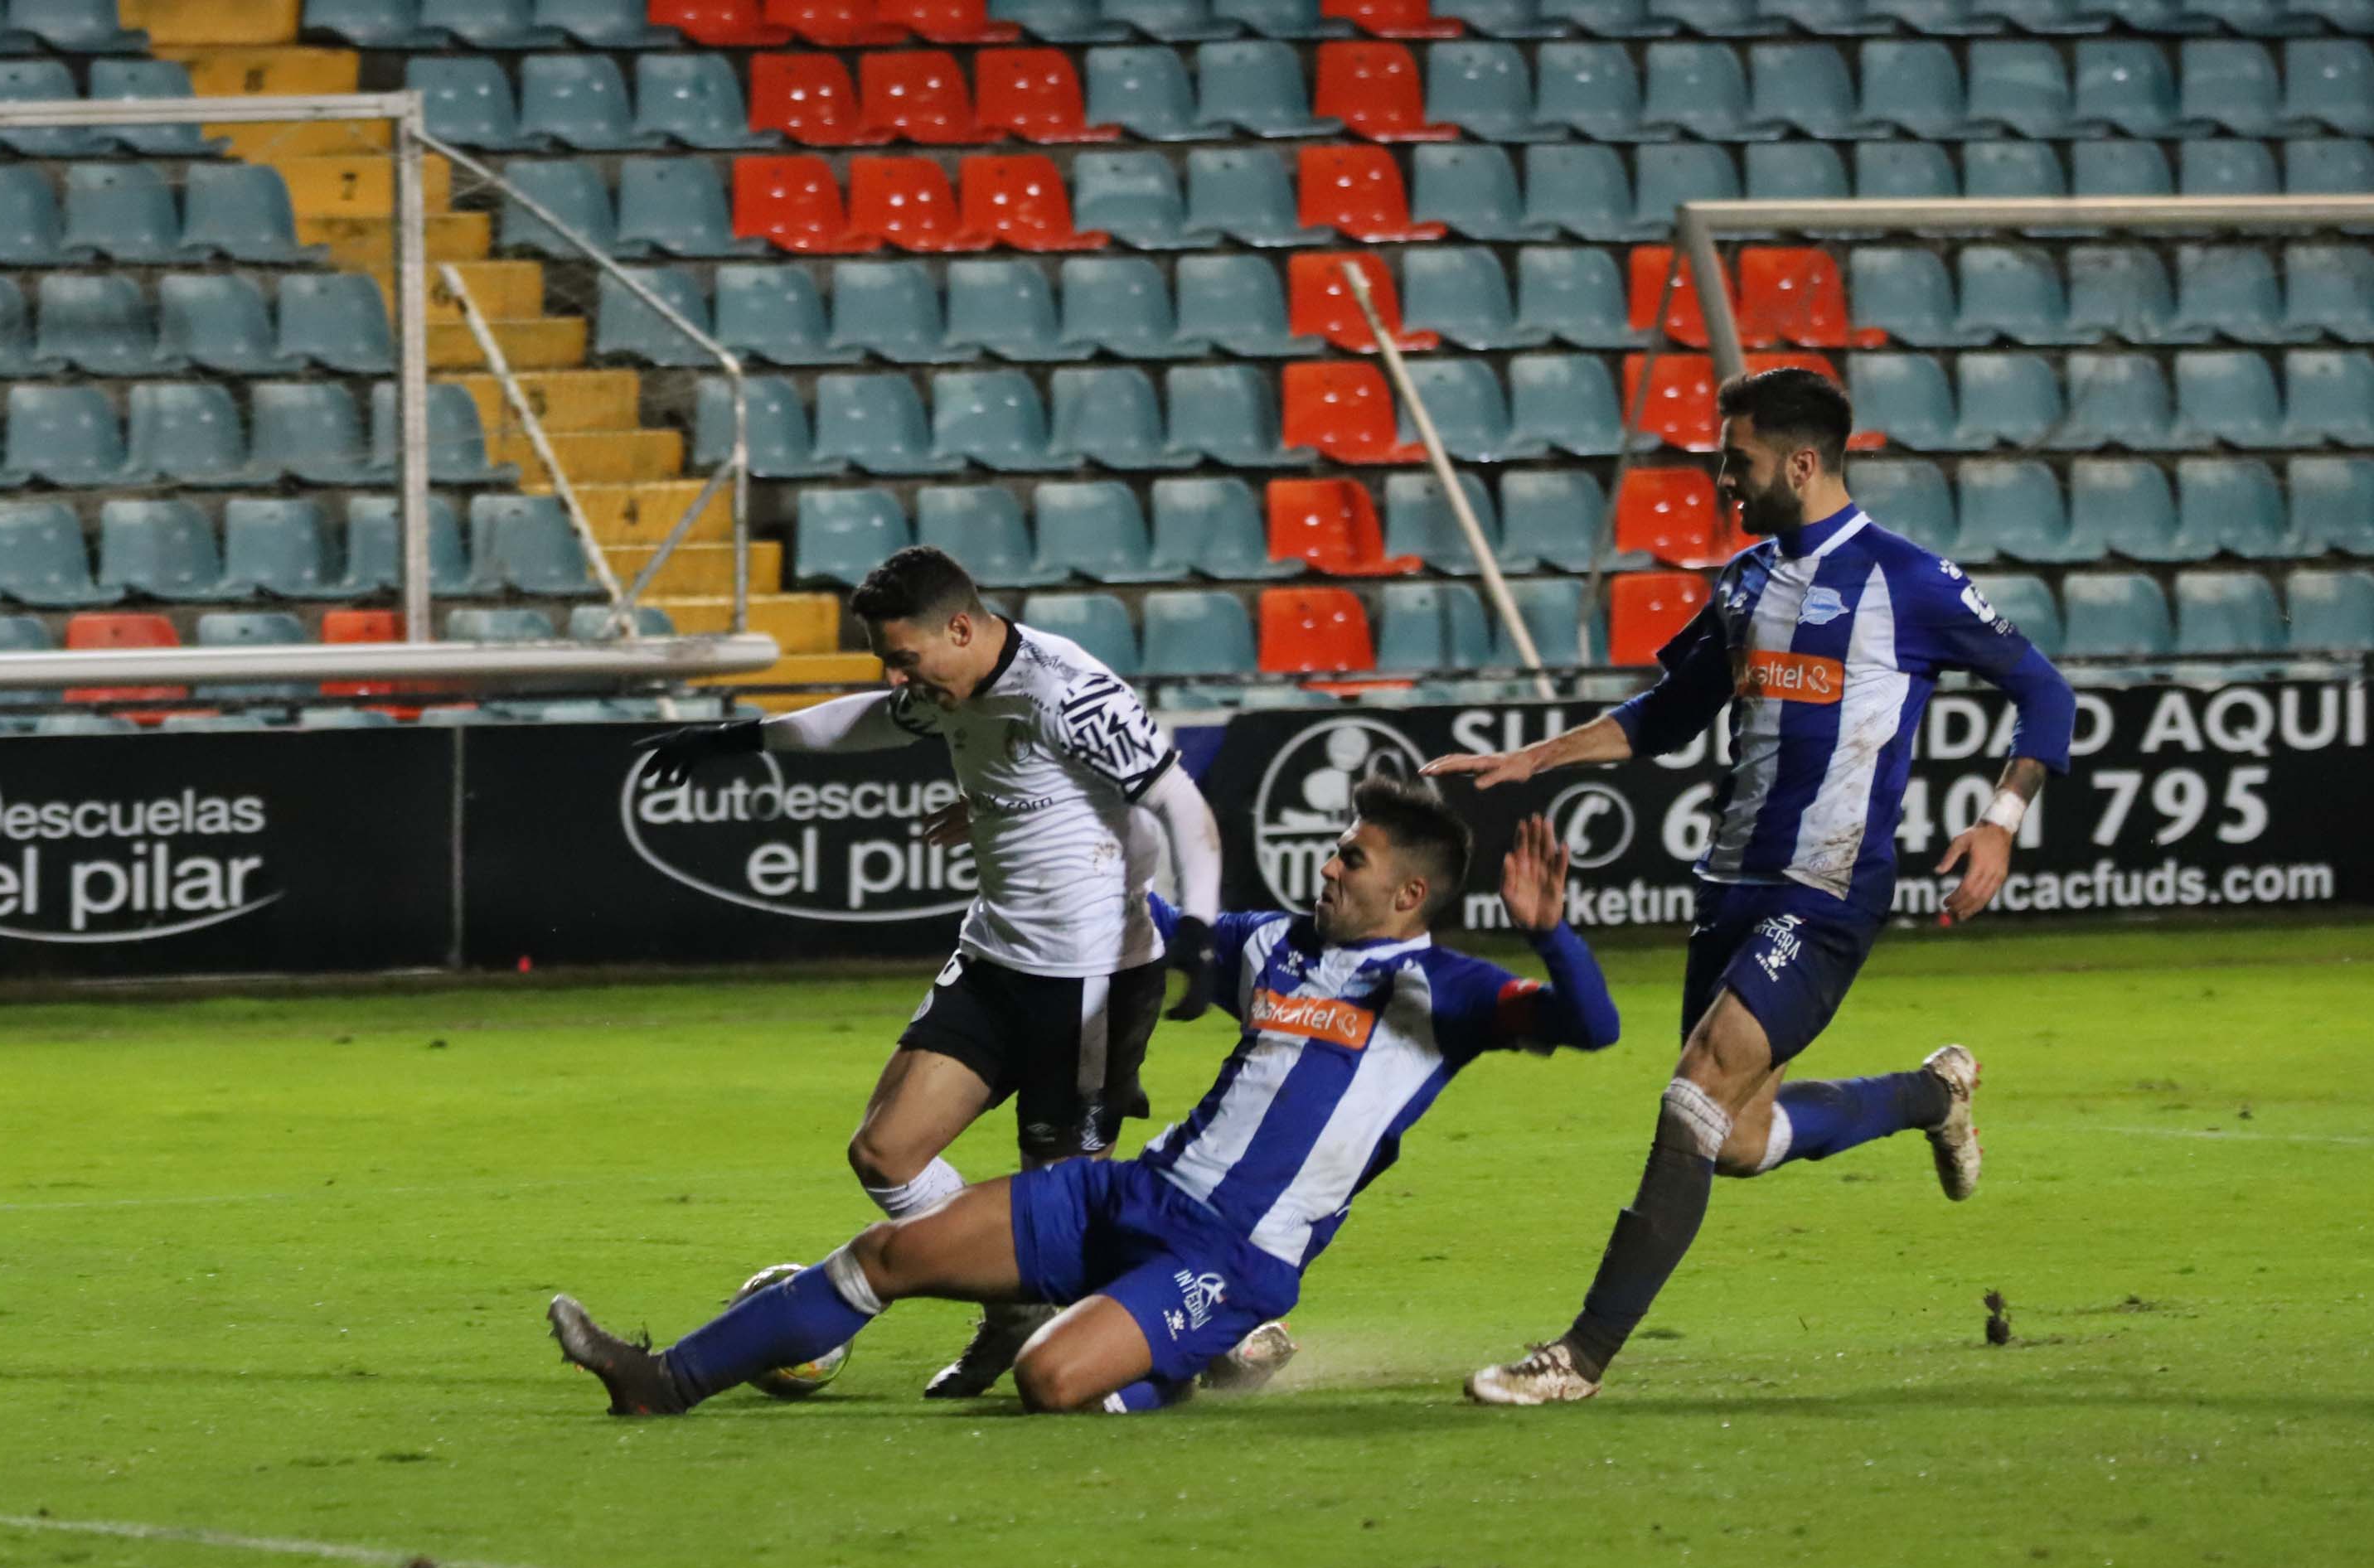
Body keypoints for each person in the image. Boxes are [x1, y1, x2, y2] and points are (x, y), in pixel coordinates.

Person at [546, 780, 1621, 1416]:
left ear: (1410, 892)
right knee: (888, 1254)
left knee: (1051, 1379)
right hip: (1129, 1195)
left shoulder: (1445, 990)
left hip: (1232, 1257)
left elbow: (1591, 1025)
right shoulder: (1275, 945)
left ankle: (1181, 1359)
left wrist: (1552, 935)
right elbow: (1153, 915)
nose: (1330, 867)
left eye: (1353, 857)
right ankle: (661, 1379)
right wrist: (1030, 826)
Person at [1422, 365, 2078, 1406]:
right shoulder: (1741, 583)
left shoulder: (1907, 580)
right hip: (1729, 887)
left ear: (1802, 463)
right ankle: (1932, 1094)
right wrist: (1533, 758)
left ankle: (1579, 1356)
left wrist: (1999, 820)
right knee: (1734, 1137)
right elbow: (1668, 711)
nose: (1724, 479)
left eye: (1739, 460)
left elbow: (2044, 691)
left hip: (1826, 890)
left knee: (1692, 1093)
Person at [632, 546, 1224, 1398]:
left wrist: (1197, 928)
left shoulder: (1065, 689)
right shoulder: (947, 686)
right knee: (885, 1153)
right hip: (993, 960)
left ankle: (1197, 1326)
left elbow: (1178, 801)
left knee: (1058, 1208)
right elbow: (873, 719)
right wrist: (742, 737)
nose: (896, 674)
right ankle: (1016, 1303)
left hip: (1090, 984)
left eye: (905, 656)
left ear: (961, 629)